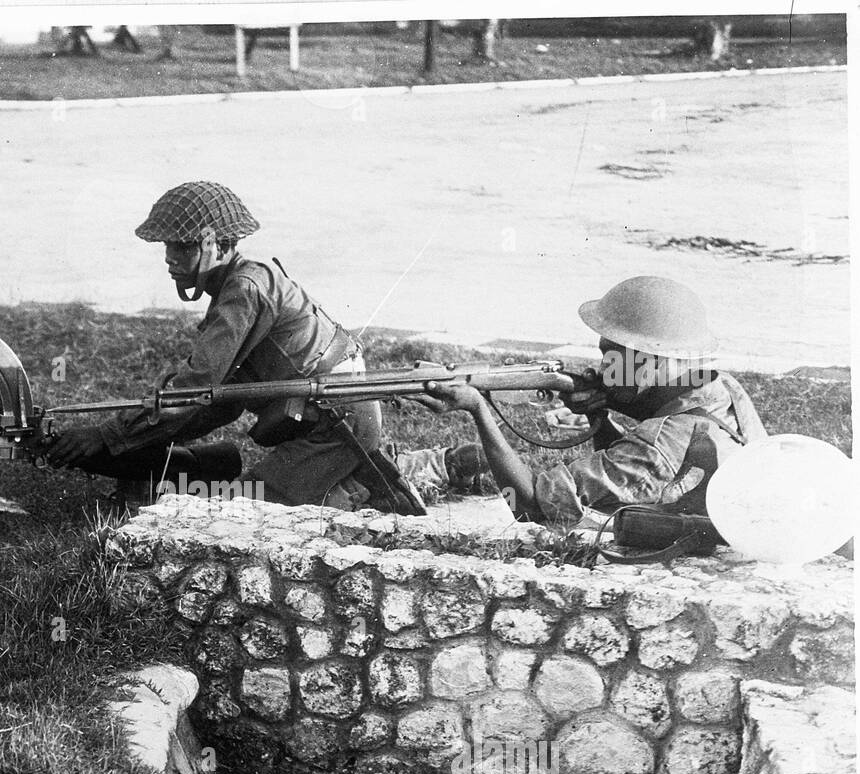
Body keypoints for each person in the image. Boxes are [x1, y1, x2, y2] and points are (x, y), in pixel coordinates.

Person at [46, 180, 471, 512]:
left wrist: (108, 435)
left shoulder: (244, 290)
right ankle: (388, 469)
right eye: (167, 246)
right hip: (331, 420)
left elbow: (193, 390)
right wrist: (132, 440)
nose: (169, 257)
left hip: (333, 425)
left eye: (183, 245)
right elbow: (220, 401)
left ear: (217, 244)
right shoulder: (239, 286)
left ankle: (364, 488)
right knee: (226, 495)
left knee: (236, 518)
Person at [416, 275, 767, 526]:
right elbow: (631, 465)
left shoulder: (657, 445)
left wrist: (477, 409)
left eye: (612, 356)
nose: (603, 368)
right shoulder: (723, 390)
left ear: (652, 359)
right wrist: (601, 412)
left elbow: (529, 506)